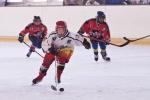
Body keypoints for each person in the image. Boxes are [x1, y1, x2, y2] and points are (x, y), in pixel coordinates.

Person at [32, 21, 90, 86]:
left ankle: (58, 77)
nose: (60, 31)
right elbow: (44, 44)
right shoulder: (51, 35)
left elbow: (80, 38)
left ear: (65, 29)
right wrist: (50, 49)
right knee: (46, 62)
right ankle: (40, 77)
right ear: (56, 29)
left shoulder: (72, 35)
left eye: (62, 29)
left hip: (66, 49)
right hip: (53, 49)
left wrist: (85, 43)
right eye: (58, 29)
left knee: (62, 60)